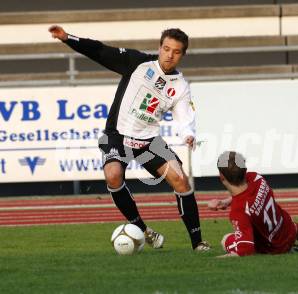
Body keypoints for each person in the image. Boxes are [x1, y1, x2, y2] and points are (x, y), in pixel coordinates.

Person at [49, 25, 210, 251]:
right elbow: (100, 51)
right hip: (117, 136)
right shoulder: (137, 63)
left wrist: (188, 135)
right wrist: (68, 38)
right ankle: (144, 231)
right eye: (166, 48)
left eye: (176, 51)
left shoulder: (181, 86)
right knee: (113, 176)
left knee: (182, 181)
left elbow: (185, 118)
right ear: (159, 47)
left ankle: (198, 243)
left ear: (182, 55)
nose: (169, 55)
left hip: (148, 141)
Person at [207, 151, 298, 257]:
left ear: (221, 177)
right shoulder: (256, 178)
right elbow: (245, 194)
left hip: (272, 248)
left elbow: (246, 249)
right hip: (288, 230)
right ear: (244, 170)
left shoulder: (239, 210)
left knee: (226, 239)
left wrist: (213, 260)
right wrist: (224, 202)